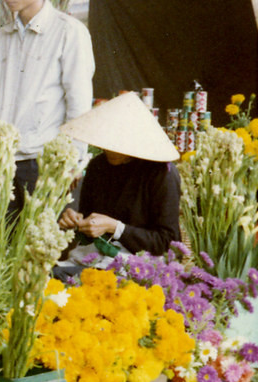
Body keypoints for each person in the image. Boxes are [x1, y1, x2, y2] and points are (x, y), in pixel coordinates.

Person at [0, 0, 95, 221]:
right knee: (1, 249)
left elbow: (79, 105)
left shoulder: (69, 32)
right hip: (1, 163)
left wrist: (72, 163)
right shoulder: (2, 36)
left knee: (38, 253)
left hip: (43, 164)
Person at [53, 92, 181, 280]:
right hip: (95, 259)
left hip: (141, 268)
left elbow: (167, 243)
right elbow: (90, 225)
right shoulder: (98, 166)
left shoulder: (162, 174)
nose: (109, 149)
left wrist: (116, 228)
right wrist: (77, 222)